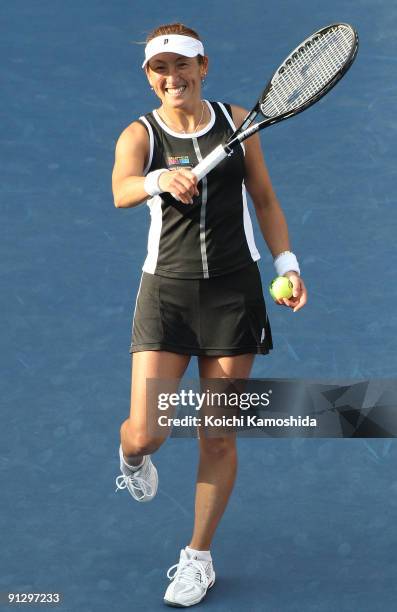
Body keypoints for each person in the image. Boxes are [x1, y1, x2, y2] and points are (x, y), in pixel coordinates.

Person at [112, 22, 307, 607]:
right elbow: (120, 189)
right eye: (160, 69)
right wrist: (155, 179)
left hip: (231, 293)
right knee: (148, 431)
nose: (172, 77)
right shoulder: (140, 133)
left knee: (217, 433)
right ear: (150, 79)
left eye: (182, 66)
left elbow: (265, 198)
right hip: (166, 294)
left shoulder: (241, 123)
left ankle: (197, 557)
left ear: (204, 68)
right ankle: (129, 455)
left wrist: (289, 262)